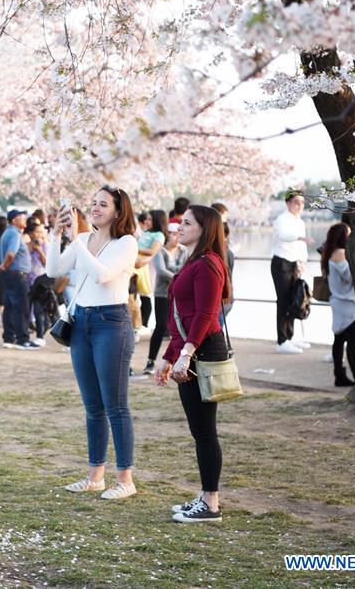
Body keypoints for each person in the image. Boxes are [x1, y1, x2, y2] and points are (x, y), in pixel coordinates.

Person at [47, 186, 138, 499]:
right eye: (93, 203)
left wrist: (75, 240)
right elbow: (53, 269)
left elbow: (101, 275)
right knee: (92, 406)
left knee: (116, 406)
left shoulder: (126, 243)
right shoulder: (84, 240)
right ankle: (95, 476)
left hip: (111, 323)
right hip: (82, 323)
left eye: (103, 204)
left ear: (118, 210)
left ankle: (125, 480)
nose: (95, 208)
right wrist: (54, 234)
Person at [154, 205, 231, 523]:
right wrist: (168, 357)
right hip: (191, 347)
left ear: (205, 228)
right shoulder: (194, 261)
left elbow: (204, 315)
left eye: (186, 223)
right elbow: (181, 318)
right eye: (179, 223)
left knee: (205, 432)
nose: (178, 227)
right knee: (199, 430)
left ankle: (211, 504)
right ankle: (205, 496)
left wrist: (185, 353)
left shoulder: (209, 264)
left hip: (203, 350)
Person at [142, 223, 188, 375]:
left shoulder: (184, 251)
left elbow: (189, 268)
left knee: (181, 326)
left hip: (181, 294)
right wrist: (181, 278)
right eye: (173, 234)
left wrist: (180, 279)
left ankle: (180, 361)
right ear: (167, 234)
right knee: (161, 326)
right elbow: (161, 271)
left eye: (178, 233)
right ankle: (150, 361)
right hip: (163, 293)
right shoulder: (160, 252)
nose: (176, 237)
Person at [271, 191, 311, 354]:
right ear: (288, 203)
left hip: (295, 264)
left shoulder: (300, 222)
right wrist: (299, 238)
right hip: (282, 263)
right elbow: (283, 235)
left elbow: (302, 246)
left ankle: (291, 336)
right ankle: (282, 340)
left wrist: (303, 261)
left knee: (295, 299)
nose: (300, 205)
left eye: (302, 202)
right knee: (283, 301)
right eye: (296, 202)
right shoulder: (282, 219)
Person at [321, 223, 355, 386]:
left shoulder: (328, 252)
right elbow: (350, 277)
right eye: (349, 234)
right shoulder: (341, 254)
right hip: (348, 304)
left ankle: (339, 374)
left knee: (338, 340)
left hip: (338, 302)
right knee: (352, 344)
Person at [0, 209, 38, 350]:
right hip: (17, 274)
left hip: (11, 274)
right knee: (22, 307)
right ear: (14, 220)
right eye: (22, 217)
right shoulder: (14, 234)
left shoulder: (8, 232)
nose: (25, 219)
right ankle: (23, 339)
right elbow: (10, 254)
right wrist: (4, 265)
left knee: (9, 307)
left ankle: (9, 337)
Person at [135, 210, 168, 330]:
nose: (147, 222)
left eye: (150, 219)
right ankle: (137, 324)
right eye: (146, 219)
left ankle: (144, 324)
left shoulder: (159, 235)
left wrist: (134, 248)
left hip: (146, 267)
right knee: (135, 296)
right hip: (136, 263)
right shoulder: (146, 232)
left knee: (145, 296)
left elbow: (152, 251)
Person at [26, 219, 51, 345]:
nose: (40, 235)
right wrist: (31, 248)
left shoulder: (46, 245)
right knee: (27, 309)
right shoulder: (26, 246)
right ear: (30, 234)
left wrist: (39, 249)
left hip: (41, 282)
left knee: (38, 309)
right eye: (37, 232)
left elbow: (47, 264)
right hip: (28, 281)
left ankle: (40, 336)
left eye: (41, 232)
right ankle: (29, 332)